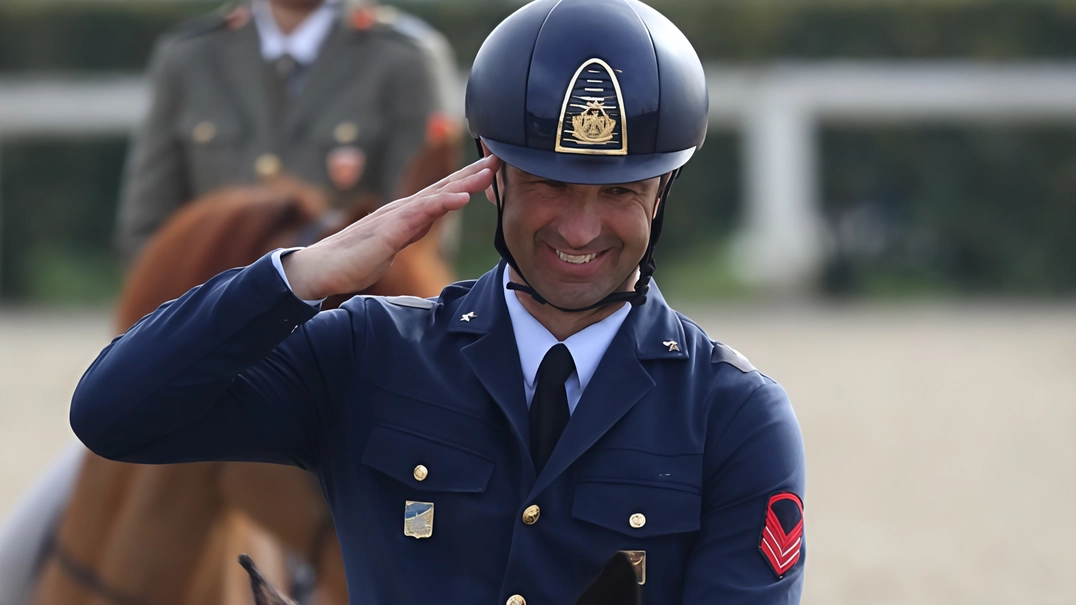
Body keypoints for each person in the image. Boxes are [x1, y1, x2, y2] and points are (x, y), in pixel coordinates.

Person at [72, 0, 807, 603]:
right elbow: (112, 414)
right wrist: (299, 276)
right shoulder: (366, 352)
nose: (581, 230)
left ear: (664, 190)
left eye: (620, 192)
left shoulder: (732, 415)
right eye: (550, 183)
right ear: (494, 174)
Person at [115, 0, 459, 263]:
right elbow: (149, 231)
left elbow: (420, 238)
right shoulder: (189, 57)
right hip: (211, 324)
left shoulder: (404, 59)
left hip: (347, 325)